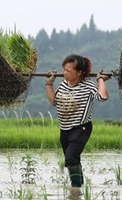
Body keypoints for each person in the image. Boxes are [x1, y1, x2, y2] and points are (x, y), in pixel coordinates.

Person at [46, 54, 109, 188]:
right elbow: (53, 101)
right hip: (64, 129)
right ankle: (78, 189)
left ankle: (75, 189)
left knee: (70, 158)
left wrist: (101, 80)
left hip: (81, 128)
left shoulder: (88, 86)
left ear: (79, 72)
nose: (65, 73)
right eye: (64, 70)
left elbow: (103, 97)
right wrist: (49, 83)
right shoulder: (63, 84)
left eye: (68, 71)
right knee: (72, 161)